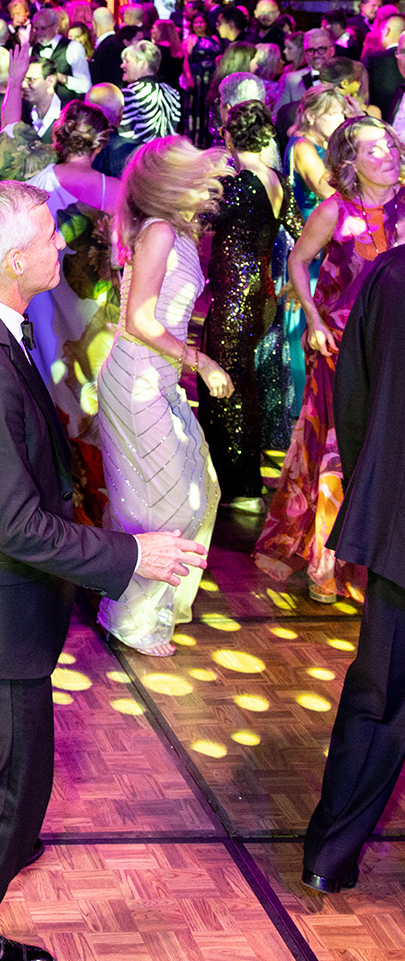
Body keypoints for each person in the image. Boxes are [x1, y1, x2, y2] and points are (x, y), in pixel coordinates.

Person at [0, 180, 204, 961]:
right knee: (10, 781)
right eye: (46, 237)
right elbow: (18, 526)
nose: (60, 247)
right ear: (12, 261)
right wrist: (132, 556)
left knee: (0, 771)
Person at [255, 118, 405, 604]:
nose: (388, 156)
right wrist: (316, 320)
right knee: (338, 452)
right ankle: (326, 561)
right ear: (349, 163)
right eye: (374, 151)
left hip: (395, 350)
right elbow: (298, 261)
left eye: (390, 147)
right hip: (342, 347)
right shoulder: (333, 211)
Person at [96, 138, 230, 656]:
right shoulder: (157, 232)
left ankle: (157, 604)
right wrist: (202, 360)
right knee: (167, 504)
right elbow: (140, 320)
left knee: (199, 488)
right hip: (137, 381)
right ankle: (128, 615)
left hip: (156, 378)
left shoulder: (171, 230)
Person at [300, 244, 405, 893]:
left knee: (379, 694)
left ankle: (328, 855)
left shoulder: (391, 272)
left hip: (401, 524)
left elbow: (355, 396)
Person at [23, 102, 121, 526]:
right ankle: (107, 503)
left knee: (56, 397)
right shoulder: (118, 192)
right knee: (100, 404)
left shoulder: (33, 189)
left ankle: (62, 509)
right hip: (101, 313)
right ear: (100, 142)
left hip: (48, 315)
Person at [197, 101, 298, 508]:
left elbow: (201, 219)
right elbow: (302, 232)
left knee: (227, 388)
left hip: (237, 298)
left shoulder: (242, 184)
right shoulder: (276, 179)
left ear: (230, 135)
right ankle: (243, 482)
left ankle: (240, 488)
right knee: (243, 385)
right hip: (261, 295)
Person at [118, 38, 183, 147]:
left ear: (142, 64)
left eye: (127, 61)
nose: (122, 65)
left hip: (141, 157)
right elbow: (173, 132)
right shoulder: (172, 92)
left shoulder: (132, 92)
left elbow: (125, 135)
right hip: (166, 154)